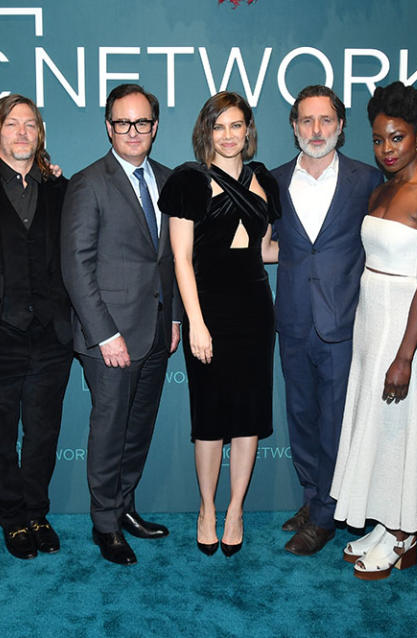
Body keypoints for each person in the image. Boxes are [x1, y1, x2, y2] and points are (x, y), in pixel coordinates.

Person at [329, 81, 417, 580]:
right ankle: (385, 523)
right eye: (379, 139)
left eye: (397, 138)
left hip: (407, 322)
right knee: (375, 421)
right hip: (370, 317)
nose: (386, 149)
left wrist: (404, 356)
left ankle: (404, 535)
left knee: (399, 424)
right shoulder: (382, 188)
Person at [60, 83, 181, 566]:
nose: (134, 131)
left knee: (138, 429)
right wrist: (104, 333)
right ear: (108, 126)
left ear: (154, 126)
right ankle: (104, 524)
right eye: (123, 122)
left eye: (143, 122)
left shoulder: (170, 180)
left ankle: (126, 507)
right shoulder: (88, 183)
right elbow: (76, 265)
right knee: (110, 431)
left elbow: (170, 259)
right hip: (109, 335)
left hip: (154, 329)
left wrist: (172, 316)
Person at [159, 92, 280, 557]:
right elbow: (181, 261)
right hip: (207, 309)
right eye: (219, 126)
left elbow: (264, 250)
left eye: (237, 125)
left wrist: (323, 255)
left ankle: (235, 509)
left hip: (254, 309)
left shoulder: (262, 179)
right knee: (209, 419)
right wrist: (197, 323)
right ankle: (207, 508)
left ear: (248, 129)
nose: (228, 135)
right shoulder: (189, 181)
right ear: (205, 131)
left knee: (248, 417)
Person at [0, 95, 73, 560]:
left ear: (39, 134)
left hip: (51, 336)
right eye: (12, 124)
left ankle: (37, 512)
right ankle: (12, 519)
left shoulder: (63, 190)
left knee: (43, 432)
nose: (22, 132)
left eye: (30, 124)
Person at [270, 86, 383, 556]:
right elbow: (265, 243)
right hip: (293, 319)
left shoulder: (368, 179)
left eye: (326, 121)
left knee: (336, 421)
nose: (316, 130)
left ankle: (325, 516)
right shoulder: (272, 180)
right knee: (301, 417)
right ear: (294, 127)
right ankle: (312, 496)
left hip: (343, 321)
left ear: (340, 126)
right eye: (306, 121)